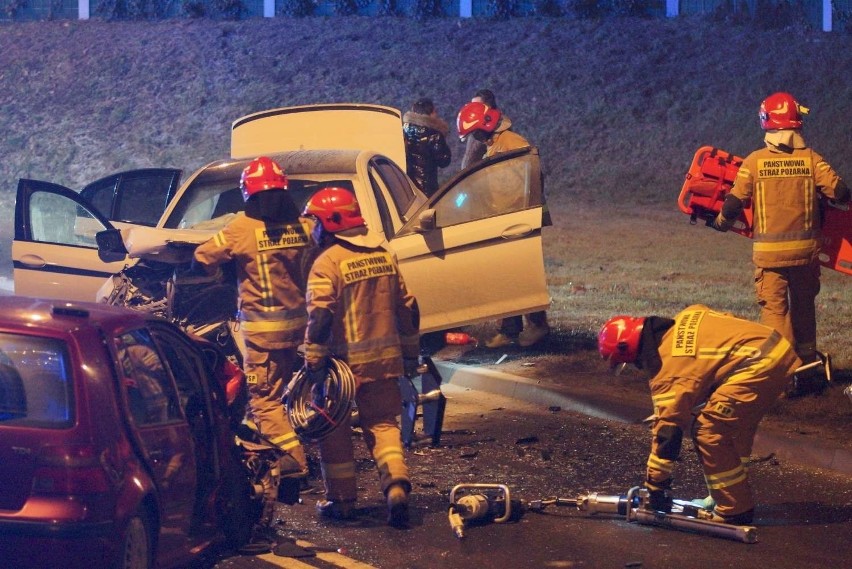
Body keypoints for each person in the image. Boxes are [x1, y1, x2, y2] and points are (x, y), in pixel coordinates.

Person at [598, 304, 802, 525]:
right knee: (733, 427)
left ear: (627, 350)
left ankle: (735, 510)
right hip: (775, 349)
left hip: (759, 365)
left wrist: (656, 485)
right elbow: (726, 326)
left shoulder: (668, 371)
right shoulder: (688, 314)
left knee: (709, 429)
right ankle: (724, 493)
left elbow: (668, 431)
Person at [193, 156, 314, 501]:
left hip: (262, 334)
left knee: (264, 402)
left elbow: (203, 258)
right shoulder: (303, 226)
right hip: (298, 330)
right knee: (280, 394)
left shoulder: (241, 228)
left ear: (248, 194)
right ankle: (271, 458)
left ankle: (295, 460)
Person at [712, 92, 849, 388]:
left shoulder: (755, 162)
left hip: (770, 257)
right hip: (806, 255)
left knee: (775, 310)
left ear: (767, 122)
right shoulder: (811, 160)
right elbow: (839, 192)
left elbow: (734, 203)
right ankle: (809, 365)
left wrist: (721, 223)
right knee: (803, 306)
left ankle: (786, 373)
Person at [301, 186, 420, 527]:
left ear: (329, 223)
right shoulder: (384, 255)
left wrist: (314, 362)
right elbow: (408, 308)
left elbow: (320, 318)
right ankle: (395, 484)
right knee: (383, 426)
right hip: (384, 362)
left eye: (316, 222)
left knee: (333, 429)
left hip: (341, 369)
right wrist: (410, 355)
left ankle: (342, 503)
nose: (313, 229)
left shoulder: (327, 263)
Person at [457, 100, 551, 349]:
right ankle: (510, 329)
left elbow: (526, 182)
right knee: (509, 277)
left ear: (486, 126)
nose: (474, 138)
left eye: (475, 133)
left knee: (521, 276)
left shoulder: (512, 145)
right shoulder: (500, 144)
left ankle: (536, 326)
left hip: (517, 220)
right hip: (508, 219)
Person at [403, 97, 452, 197]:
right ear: (432, 113)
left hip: (406, 187)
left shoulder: (402, 131)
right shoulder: (434, 135)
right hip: (427, 187)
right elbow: (444, 161)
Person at [460, 88, 503, 170]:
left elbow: (469, 163)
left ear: (488, 107)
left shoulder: (486, 129)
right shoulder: (479, 128)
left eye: (477, 106)